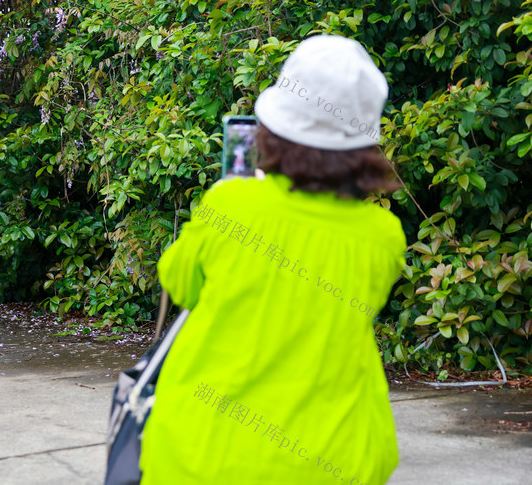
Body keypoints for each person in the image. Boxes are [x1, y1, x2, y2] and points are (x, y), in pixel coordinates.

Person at [140, 35, 406, 484]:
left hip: (204, 455)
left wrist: (227, 197)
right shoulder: (383, 236)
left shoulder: (232, 205)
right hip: (334, 461)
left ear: (273, 130)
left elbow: (180, 282)